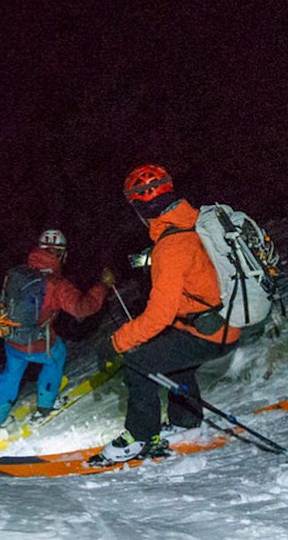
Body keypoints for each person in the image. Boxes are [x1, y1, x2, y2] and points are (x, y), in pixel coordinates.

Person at [93, 164, 241, 463]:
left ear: (141, 206)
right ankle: (186, 421)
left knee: (138, 361)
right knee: (171, 355)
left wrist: (116, 343)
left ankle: (140, 437)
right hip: (223, 321)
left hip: (211, 331)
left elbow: (159, 315)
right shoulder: (194, 222)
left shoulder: (170, 246)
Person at [0, 229, 116, 430]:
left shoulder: (17, 273)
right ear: (61, 254)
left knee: (11, 373)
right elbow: (81, 308)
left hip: (11, 337)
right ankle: (46, 405)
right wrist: (102, 286)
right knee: (56, 356)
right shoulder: (56, 284)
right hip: (36, 342)